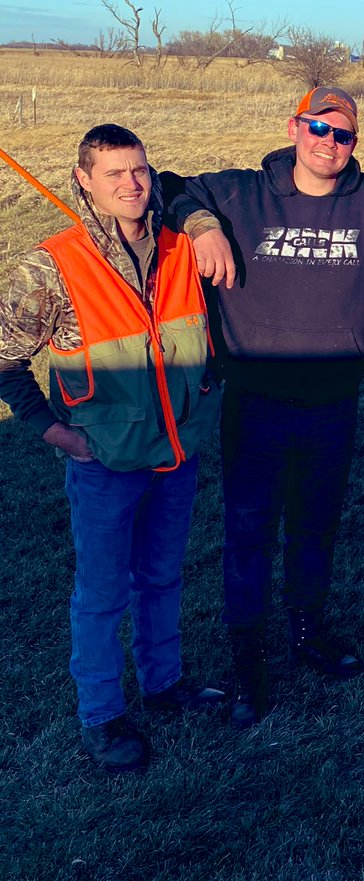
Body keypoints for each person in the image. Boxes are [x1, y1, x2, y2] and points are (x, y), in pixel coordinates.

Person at [164, 87, 364, 726]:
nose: (327, 142)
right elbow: (169, 187)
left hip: (332, 403)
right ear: (294, 126)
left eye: (342, 134)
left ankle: (308, 632)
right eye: (317, 127)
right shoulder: (241, 194)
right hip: (255, 400)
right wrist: (201, 226)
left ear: (354, 143)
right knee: (250, 530)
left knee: (316, 526)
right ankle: (248, 660)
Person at [0, 125, 224, 773]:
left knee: (162, 576)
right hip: (103, 464)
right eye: (115, 174)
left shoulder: (180, 245)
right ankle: (100, 714)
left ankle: (164, 681)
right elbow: (6, 356)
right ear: (83, 182)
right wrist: (54, 431)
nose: (131, 184)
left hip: (176, 456)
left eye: (140, 170)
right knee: (101, 594)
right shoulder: (52, 265)